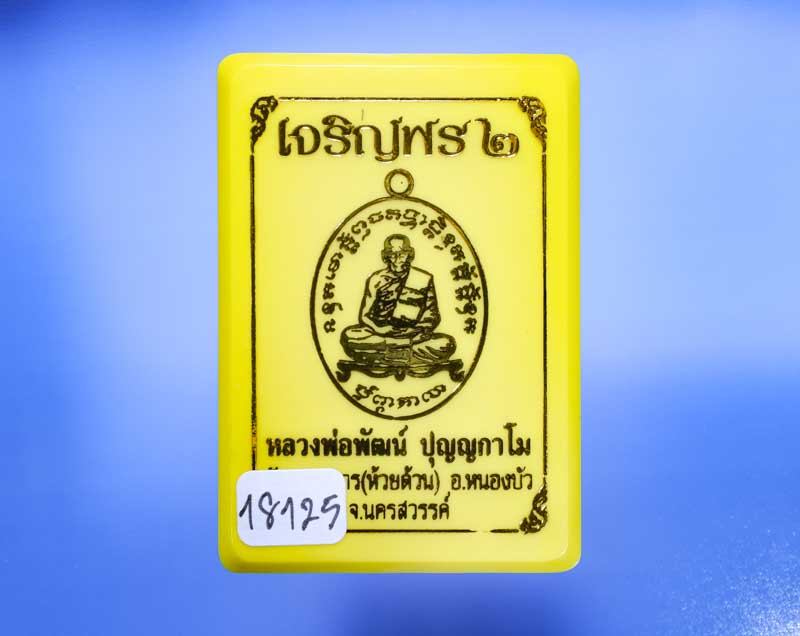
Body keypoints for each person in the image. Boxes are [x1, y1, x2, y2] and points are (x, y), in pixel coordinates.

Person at [340, 234, 456, 368]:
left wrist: (417, 331)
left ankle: (387, 355)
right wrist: (381, 329)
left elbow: (432, 315)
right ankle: (404, 353)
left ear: (409, 254)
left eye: (401, 254)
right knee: (349, 336)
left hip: (411, 335)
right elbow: (364, 316)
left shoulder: (423, 278)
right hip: (381, 334)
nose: (397, 259)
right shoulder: (376, 279)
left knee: (446, 344)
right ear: (386, 256)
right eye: (392, 254)